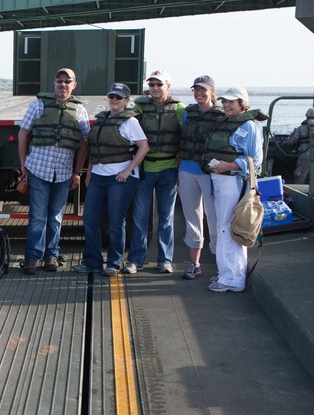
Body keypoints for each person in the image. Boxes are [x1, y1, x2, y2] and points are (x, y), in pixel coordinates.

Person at [16, 68, 89, 275]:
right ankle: (32, 257)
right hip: (39, 169)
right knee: (38, 216)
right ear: (54, 83)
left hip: (64, 173)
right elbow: (23, 134)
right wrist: (24, 164)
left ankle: (52, 255)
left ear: (74, 85)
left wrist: (77, 172)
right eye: (59, 80)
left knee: (56, 217)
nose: (63, 84)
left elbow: (84, 142)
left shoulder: (80, 111)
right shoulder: (38, 105)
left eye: (67, 81)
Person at [73, 84, 149, 275]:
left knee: (116, 222)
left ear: (126, 101)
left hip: (120, 179)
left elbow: (144, 147)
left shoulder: (130, 122)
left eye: (119, 97)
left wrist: (128, 171)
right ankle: (92, 261)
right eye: (112, 96)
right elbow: (94, 149)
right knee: (90, 219)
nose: (115, 100)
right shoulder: (101, 120)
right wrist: (89, 174)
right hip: (98, 177)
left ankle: (114, 263)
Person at [202, 87, 266, 293]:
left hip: (234, 184)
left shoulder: (249, 126)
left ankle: (234, 279)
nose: (227, 105)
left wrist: (228, 166)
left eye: (232, 102)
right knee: (222, 227)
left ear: (242, 104)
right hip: (218, 181)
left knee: (229, 228)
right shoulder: (225, 122)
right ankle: (226, 273)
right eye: (225, 101)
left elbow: (255, 160)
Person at [128, 70, 185, 274]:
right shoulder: (139, 108)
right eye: (151, 84)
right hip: (145, 170)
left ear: (168, 86)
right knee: (139, 217)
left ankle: (165, 260)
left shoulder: (179, 109)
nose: (155, 88)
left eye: (159, 85)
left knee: (166, 217)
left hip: (169, 169)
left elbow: (190, 132)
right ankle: (136, 260)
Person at [176, 75, 223, 280]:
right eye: (196, 90)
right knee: (192, 218)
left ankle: (221, 265)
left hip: (210, 173)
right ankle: (194, 264)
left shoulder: (221, 115)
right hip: (187, 169)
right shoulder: (188, 112)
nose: (199, 93)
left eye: (203, 89)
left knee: (214, 219)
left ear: (212, 91)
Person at [289, 107, 314, 186]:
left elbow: (290, 141)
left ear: (307, 116)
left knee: (301, 175)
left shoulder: (302, 128)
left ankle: (298, 192)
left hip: (305, 155)